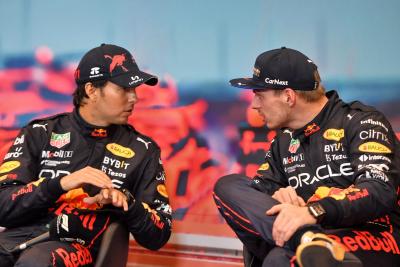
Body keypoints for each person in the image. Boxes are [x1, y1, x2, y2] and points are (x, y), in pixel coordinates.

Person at [213, 47, 400, 267]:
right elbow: (254, 199)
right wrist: (277, 197)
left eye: (259, 95)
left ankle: (311, 240)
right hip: (312, 239)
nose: (254, 105)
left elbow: (379, 190)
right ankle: (307, 237)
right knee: (228, 185)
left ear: (288, 96)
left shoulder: (361, 122)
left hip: (374, 236)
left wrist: (314, 211)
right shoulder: (283, 142)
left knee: (281, 260)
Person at [0, 44, 172, 266]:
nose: (134, 98)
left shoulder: (143, 150)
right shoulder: (40, 132)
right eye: (124, 89)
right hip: (16, 238)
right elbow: (3, 205)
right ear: (91, 90)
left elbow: (159, 235)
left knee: (36, 263)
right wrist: (59, 184)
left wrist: (127, 202)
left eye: (135, 89)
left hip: (79, 247)